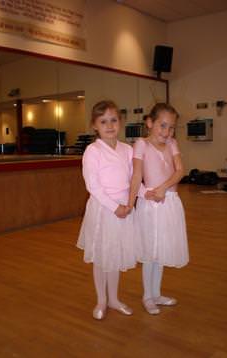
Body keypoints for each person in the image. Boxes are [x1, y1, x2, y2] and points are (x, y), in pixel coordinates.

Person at [77, 100, 136, 320]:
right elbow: (93, 186)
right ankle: (101, 300)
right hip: (104, 210)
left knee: (115, 256)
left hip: (124, 209)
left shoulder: (127, 149)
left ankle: (114, 298)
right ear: (95, 125)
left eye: (113, 120)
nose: (109, 125)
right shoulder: (93, 151)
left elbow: (134, 180)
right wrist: (115, 208)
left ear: (120, 122)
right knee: (102, 257)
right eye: (103, 121)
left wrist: (142, 196)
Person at [128, 102, 189, 315]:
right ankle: (147, 296)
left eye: (171, 127)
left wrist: (163, 188)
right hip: (151, 203)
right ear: (149, 123)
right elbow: (135, 175)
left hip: (169, 201)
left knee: (161, 250)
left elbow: (180, 170)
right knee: (150, 252)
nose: (167, 131)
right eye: (163, 125)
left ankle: (157, 293)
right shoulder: (141, 144)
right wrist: (141, 193)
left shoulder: (172, 143)